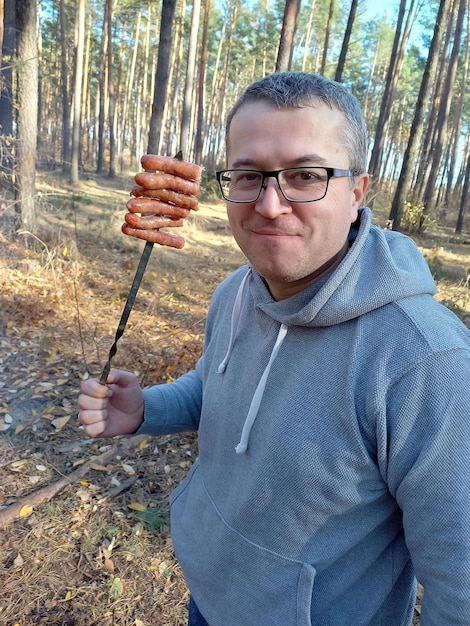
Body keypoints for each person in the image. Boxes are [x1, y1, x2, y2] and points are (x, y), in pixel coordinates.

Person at [78, 72, 470, 626]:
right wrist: (148, 410)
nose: (268, 205)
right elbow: (219, 380)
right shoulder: (237, 290)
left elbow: (463, 586)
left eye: (305, 175)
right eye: (249, 175)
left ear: (357, 191)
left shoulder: (426, 364)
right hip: (209, 598)